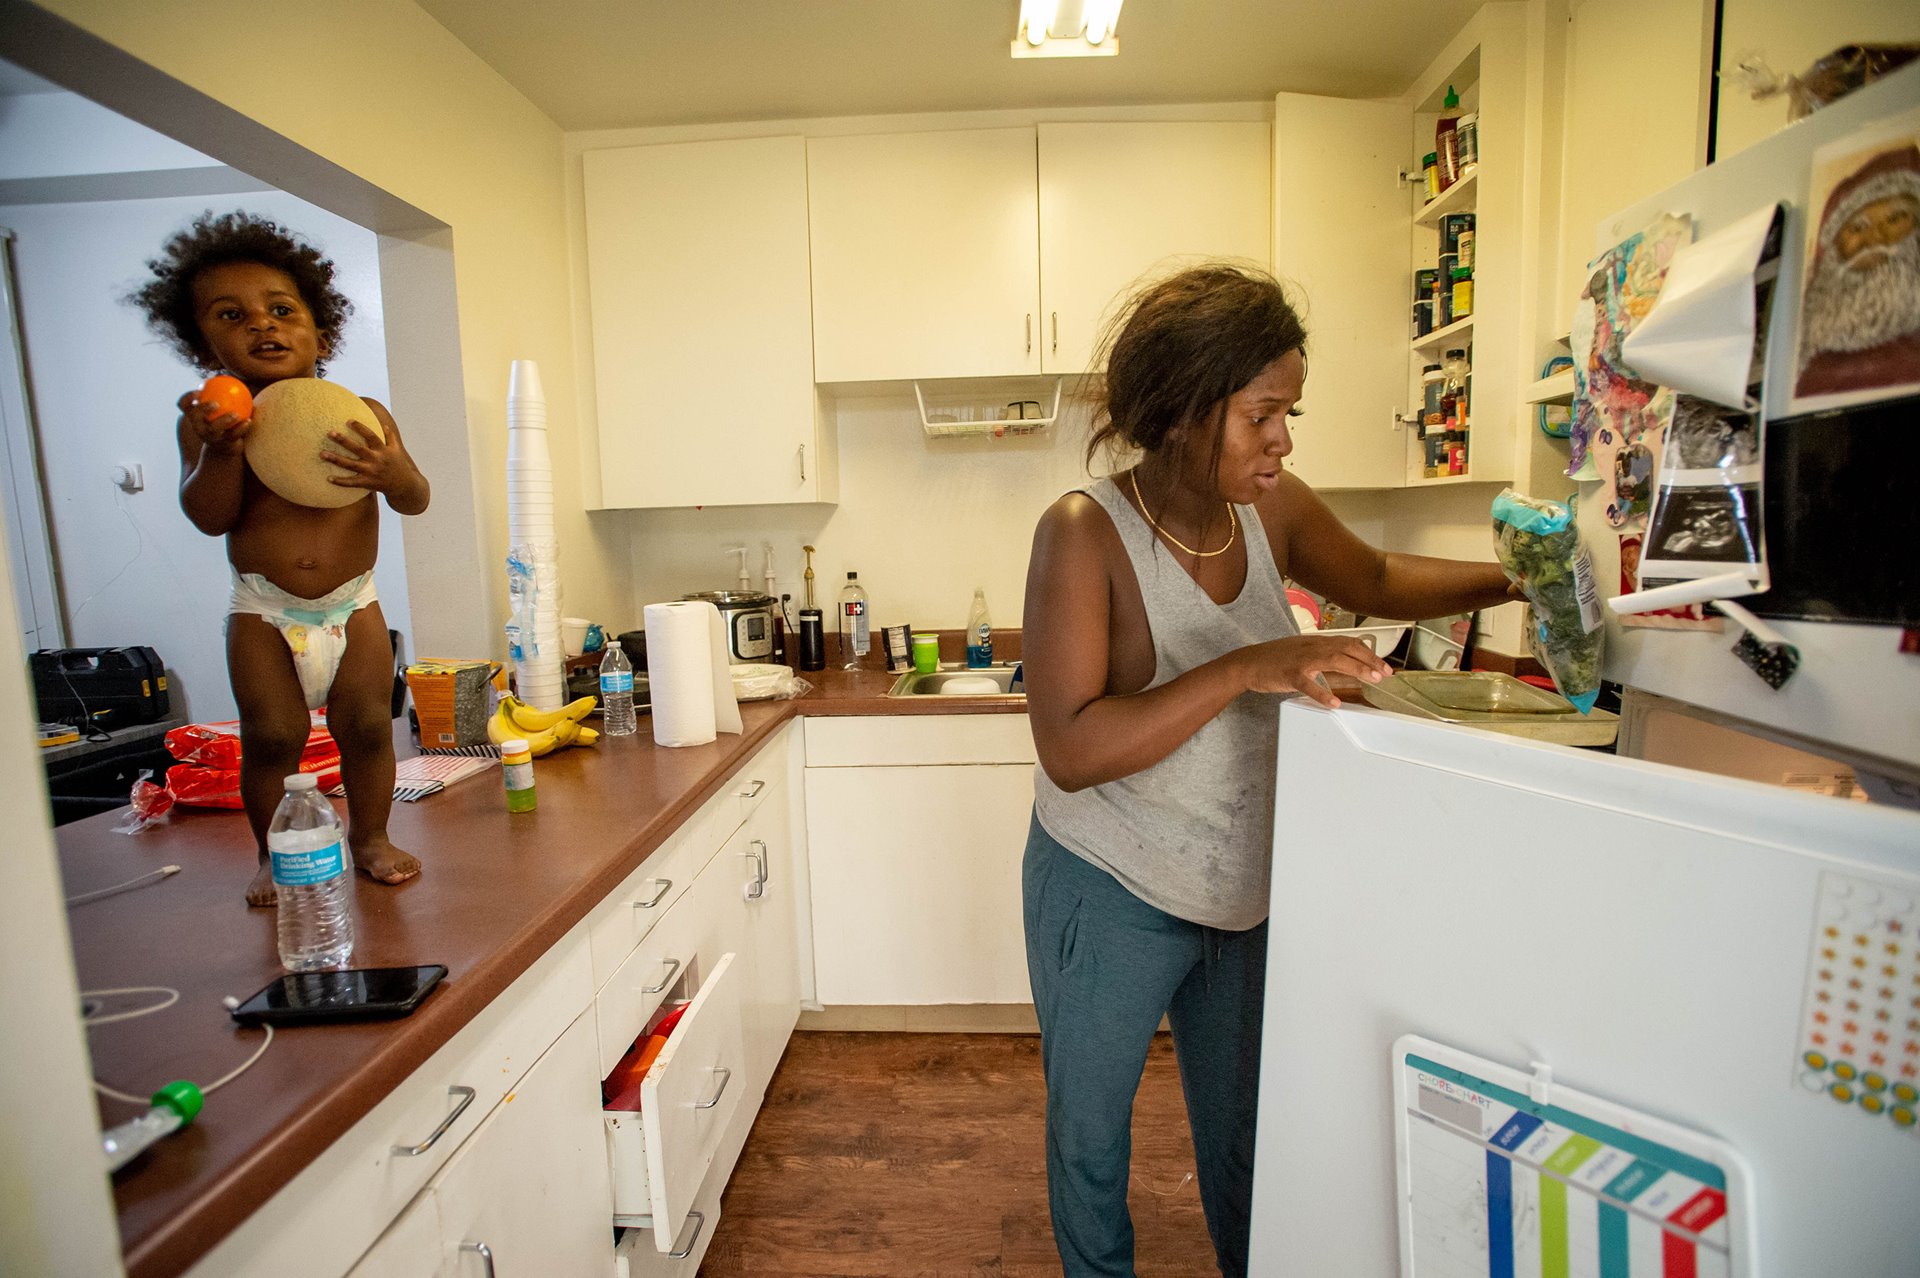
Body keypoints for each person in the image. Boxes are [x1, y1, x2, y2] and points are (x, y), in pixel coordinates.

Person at [1020, 264, 1517, 1277]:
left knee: (1252, 1139)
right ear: (1185, 411)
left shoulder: (1271, 507)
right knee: (1090, 1140)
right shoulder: (1085, 534)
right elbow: (1071, 749)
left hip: (1239, 889)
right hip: (1106, 887)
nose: (1284, 440)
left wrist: (1519, 577)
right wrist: (1253, 663)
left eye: (1289, 413)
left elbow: (1374, 577)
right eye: (1264, 415)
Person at [132, 211, 430, 906]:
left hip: (353, 603)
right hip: (263, 610)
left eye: (281, 310)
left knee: (365, 727)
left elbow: (415, 497)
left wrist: (389, 471)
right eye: (232, 315)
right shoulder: (209, 424)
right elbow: (209, 517)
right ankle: (274, 857)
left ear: (319, 332)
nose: (262, 326)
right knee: (272, 738)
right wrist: (221, 450)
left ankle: (370, 839)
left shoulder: (364, 412)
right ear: (204, 341)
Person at [1796, 143, 1920, 399]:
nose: (1875, 238)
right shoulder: (1811, 366)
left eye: (1895, 219)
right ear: (1835, 248)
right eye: (1857, 227)